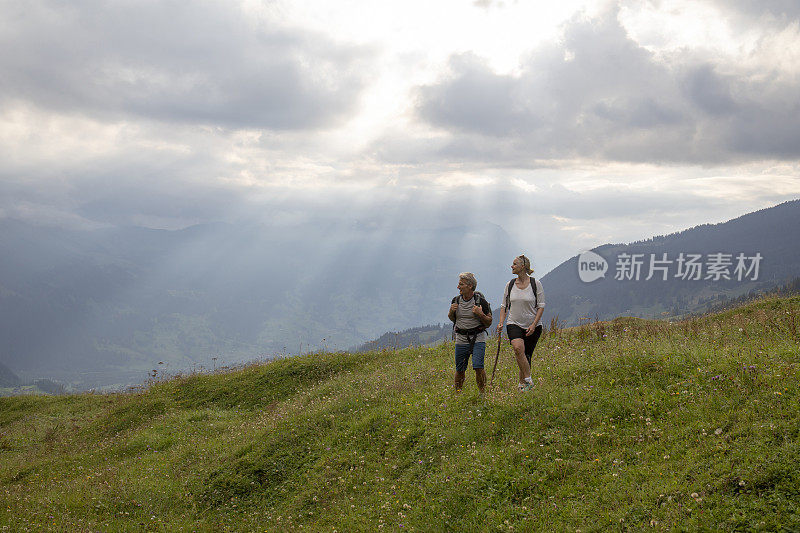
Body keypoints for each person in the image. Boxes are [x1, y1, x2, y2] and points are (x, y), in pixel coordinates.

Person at [495, 255, 545, 391]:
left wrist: (534, 325)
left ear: (523, 266)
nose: (512, 266)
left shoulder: (536, 284)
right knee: (518, 349)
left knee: (526, 355)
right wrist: (501, 322)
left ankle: (522, 385)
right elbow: (504, 306)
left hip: (533, 325)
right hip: (514, 323)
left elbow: (541, 306)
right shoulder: (510, 285)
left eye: (514, 264)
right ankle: (529, 380)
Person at [448, 272, 492, 393]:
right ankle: (458, 394)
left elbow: (489, 322)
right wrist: (451, 311)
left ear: (470, 286)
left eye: (461, 284)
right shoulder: (455, 300)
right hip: (461, 338)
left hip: (478, 338)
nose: (458, 287)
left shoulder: (480, 302)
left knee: (478, 367)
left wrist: (480, 314)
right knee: (460, 369)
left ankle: (482, 393)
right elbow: (452, 318)